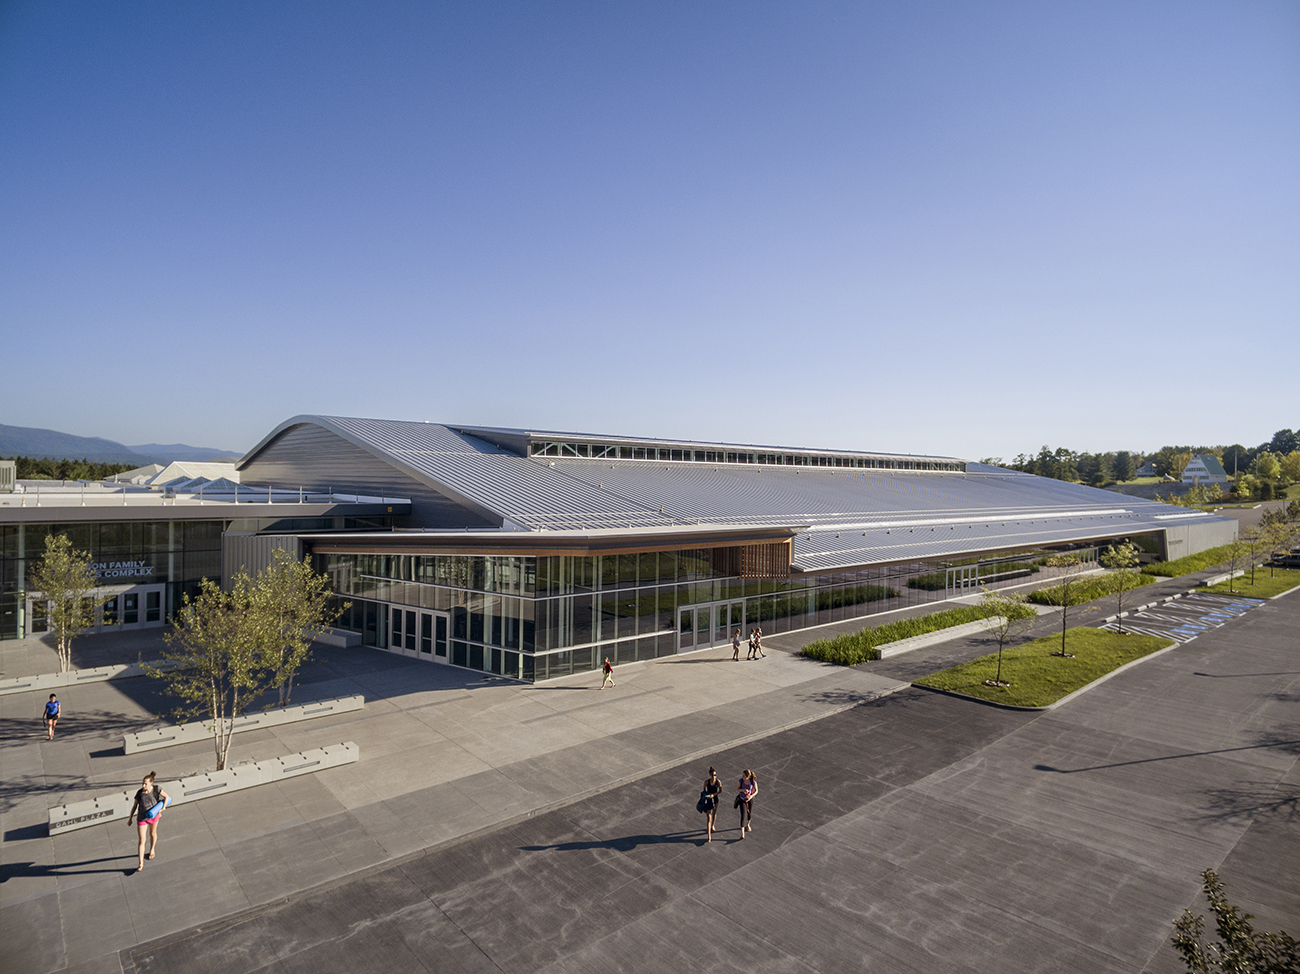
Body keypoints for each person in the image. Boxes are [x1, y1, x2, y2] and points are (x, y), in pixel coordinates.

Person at [127, 771, 170, 873]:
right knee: (142, 840)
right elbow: (134, 806)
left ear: (151, 783)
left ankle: (152, 849)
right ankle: (140, 863)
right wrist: (130, 818)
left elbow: (167, 797)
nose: (143, 785)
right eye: (143, 783)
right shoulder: (139, 793)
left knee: (152, 833)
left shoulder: (156, 789)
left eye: (145, 783)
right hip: (142, 818)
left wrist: (162, 808)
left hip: (154, 816)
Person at [700, 767, 723, 842]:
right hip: (709, 801)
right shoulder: (706, 782)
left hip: (715, 799)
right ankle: (709, 836)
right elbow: (704, 791)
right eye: (713, 775)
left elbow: (720, 791)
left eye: (715, 775)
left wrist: (714, 794)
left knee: (714, 813)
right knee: (708, 817)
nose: (714, 776)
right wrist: (707, 795)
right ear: (710, 775)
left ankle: (713, 825)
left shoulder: (718, 782)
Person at [737, 769, 758, 836]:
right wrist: (743, 790)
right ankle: (742, 833)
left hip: (749, 799)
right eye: (742, 775)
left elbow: (756, 790)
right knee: (743, 815)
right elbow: (738, 789)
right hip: (742, 799)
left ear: (748, 776)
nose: (742, 777)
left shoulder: (752, 782)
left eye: (744, 776)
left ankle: (748, 824)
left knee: (749, 813)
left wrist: (751, 796)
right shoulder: (741, 781)